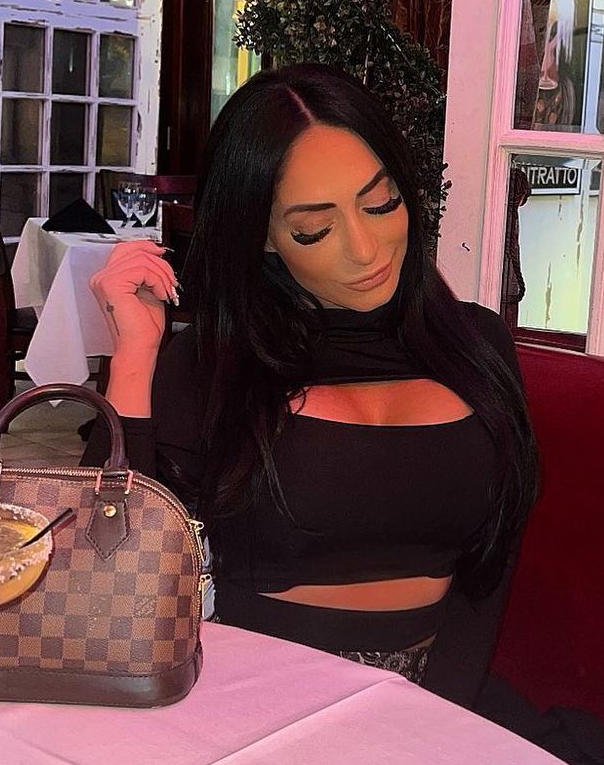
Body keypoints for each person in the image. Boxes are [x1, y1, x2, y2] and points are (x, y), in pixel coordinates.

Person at [85, 64, 537, 706]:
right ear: (263, 239)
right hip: (242, 698)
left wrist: (440, 718)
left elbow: (491, 568)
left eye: (381, 203)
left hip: (432, 705)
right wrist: (134, 358)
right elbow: (103, 568)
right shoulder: (213, 364)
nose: (366, 248)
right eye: (314, 230)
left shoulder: (476, 345)